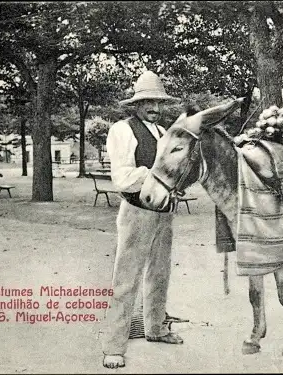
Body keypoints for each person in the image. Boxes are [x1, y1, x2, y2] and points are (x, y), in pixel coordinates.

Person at [101, 71, 183, 369]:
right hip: (136, 211)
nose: (155, 108)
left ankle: (156, 328)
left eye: (159, 102)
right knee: (127, 278)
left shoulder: (164, 132)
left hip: (164, 212)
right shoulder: (122, 130)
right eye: (148, 101)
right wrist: (157, 175)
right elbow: (122, 178)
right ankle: (113, 345)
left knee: (160, 273)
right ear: (136, 104)